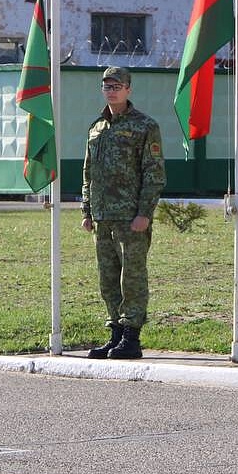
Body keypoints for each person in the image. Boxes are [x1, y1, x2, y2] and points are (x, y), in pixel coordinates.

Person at [81, 66, 166, 360]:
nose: (111, 90)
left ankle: (131, 337)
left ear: (128, 89)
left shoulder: (144, 126)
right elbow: (88, 172)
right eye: (107, 86)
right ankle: (115, 332)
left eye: (117, 86)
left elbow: (154, 173)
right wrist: (87, 210)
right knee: (107, 279)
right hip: (103, 217)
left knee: (131, 278)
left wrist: (145, 212)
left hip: (131, 218)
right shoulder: (97, 127)